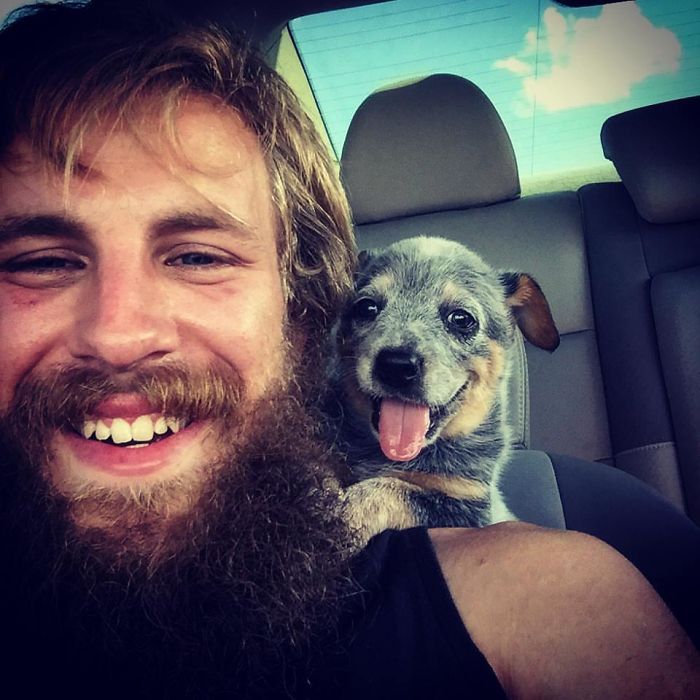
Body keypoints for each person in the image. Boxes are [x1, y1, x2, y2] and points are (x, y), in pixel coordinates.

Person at [0, 2, 697, 698]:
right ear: (334, 325)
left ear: (300, 318)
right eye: (40, 261)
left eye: (197, 256)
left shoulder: (550, 598)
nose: (119, 335)